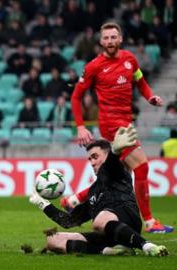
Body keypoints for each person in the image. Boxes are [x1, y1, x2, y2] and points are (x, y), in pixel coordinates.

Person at [66, 22, 173, 233]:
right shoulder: (94, 66)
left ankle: (74, 200)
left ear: (120, 39)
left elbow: (140, 82)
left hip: (126, 121)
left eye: (113, 37)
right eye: (106, 38)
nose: (109, 41)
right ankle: (150, 222)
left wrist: (149, 96)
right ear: (100, 41)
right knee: (141, 167)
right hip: (112, 124)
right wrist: (80, 126)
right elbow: (76, 96)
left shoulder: (129, 60)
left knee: (117, 177)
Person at [30, 126, 168, 256]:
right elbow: (69, 221)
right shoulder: (93, 192)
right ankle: (109, 251)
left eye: (95, 157)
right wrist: (43, 203)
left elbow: (110, 165)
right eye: (90, 159)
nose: (91, 162)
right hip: (106, 234)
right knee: (53, 240)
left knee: (99, 220)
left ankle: (147, 246)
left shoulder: (116, 171)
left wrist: (114, 151)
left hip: (128, 220)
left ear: (107, 155)